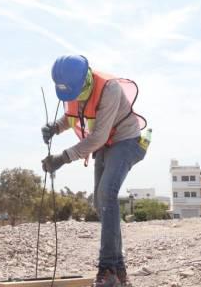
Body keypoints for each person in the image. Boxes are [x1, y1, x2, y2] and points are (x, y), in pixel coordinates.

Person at [41, 55, 147, 287]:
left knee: (107, 194)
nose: (73, 98)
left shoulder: (108, 88)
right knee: (100, 203)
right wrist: (54, 128)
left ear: (85, 81)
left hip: (126, 140)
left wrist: (63, 157)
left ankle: (107, 267)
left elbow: (98, 135)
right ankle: (118, 270)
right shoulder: (73, 89)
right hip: (106, 145)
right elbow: (72, 118)